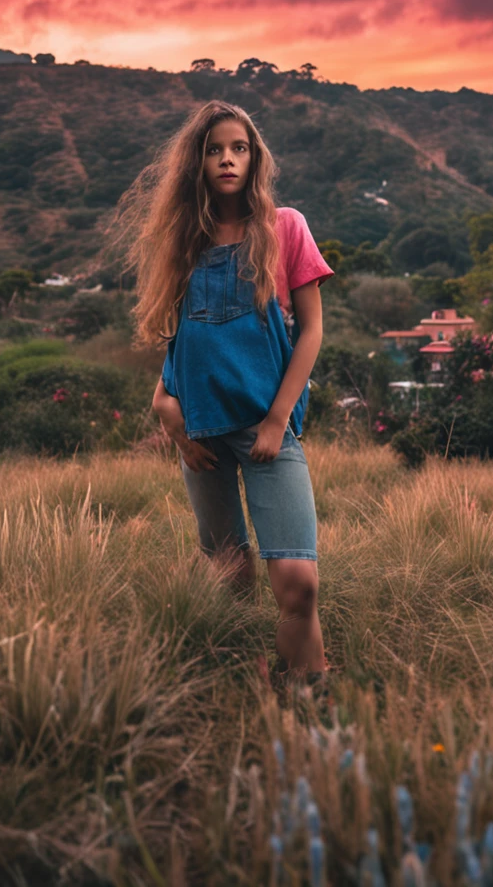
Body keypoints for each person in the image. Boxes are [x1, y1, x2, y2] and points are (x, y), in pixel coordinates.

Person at [108, 99, 334, 703]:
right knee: (228, 577)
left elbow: (310, 331)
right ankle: (253, 692)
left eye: (238, 148)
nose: (227, 159)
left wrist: (277, 420)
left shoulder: (285, 227)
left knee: (298, 582)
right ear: (198, 163)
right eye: (214, 150)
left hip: (267, 427)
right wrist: (165, 406)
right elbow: (181, 337)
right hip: (199, 431)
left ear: (254, 158)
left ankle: (309, 693)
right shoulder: (184, 241)